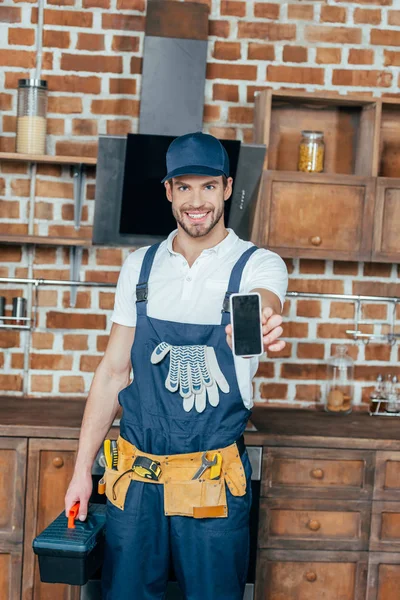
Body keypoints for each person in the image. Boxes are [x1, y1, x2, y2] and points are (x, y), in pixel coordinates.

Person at [65, 131, 288, 599]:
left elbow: (262, 303)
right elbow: (111, 372)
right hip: (136, 485)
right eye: (183, 187)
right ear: (168, 192)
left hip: (211, 484)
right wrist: (82, 470)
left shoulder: (256, 264)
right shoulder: (140, 268)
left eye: (207, 186)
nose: (196, 201)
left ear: (227, 188)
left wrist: (259, 322)